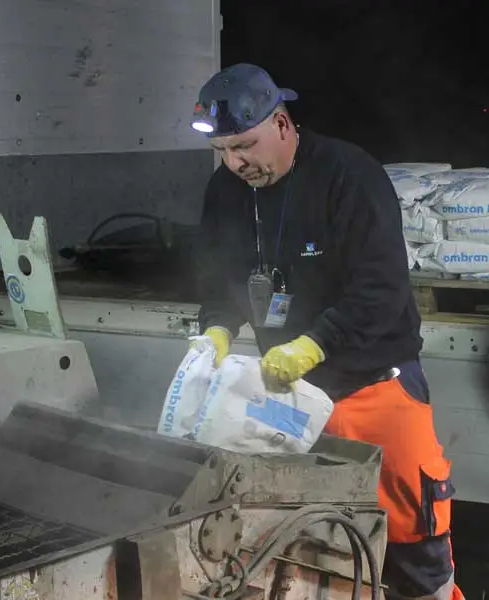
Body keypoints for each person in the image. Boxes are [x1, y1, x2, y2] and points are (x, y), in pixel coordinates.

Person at [189, 63, 464, 600]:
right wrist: (217, 330)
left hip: (373, 387)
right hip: (289, 397)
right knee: (307, 543)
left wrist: (315, 343)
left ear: (284, 124)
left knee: (413, 545)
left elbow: (381, 290)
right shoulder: (225, 190)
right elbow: (219, 281)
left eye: (243, 145)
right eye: (221, 150)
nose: (234, 162)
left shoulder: (349, 175)